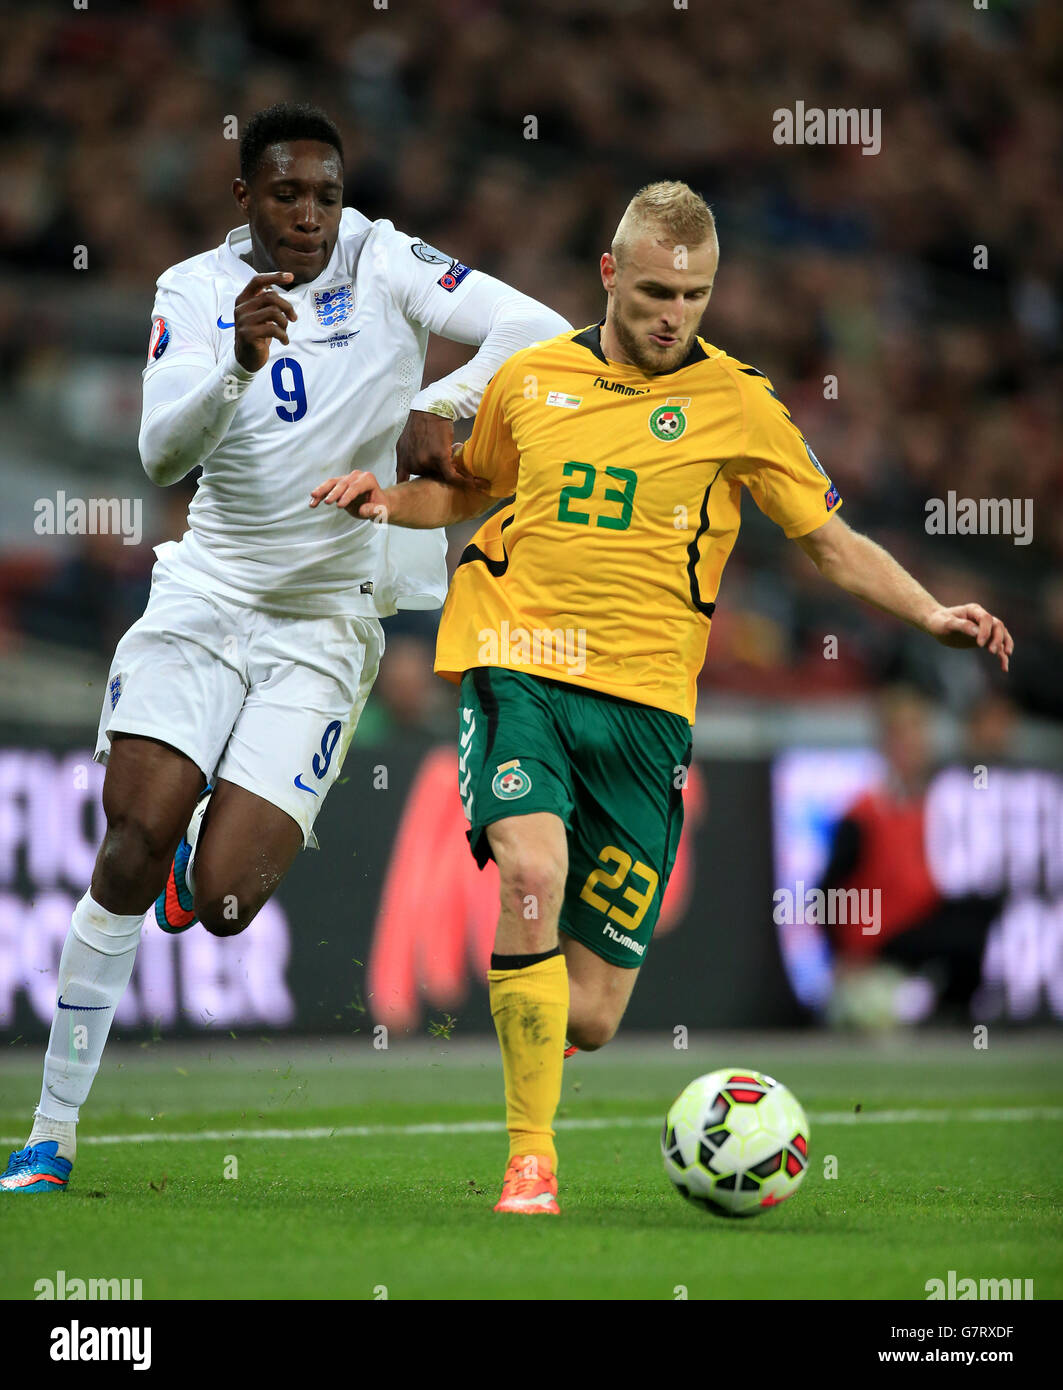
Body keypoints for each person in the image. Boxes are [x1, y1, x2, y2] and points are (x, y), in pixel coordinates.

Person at [310, 180, 1014, 1215]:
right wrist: (390, 500)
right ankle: (529, 1158)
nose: (670, 314)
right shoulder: (532, 375)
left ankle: (541, 1062)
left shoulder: (739, 402)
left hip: (647, 715)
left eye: (691, 296)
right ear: (608, 274)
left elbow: (825, 539)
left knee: (589, 1012)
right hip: (521, 665)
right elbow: (472, 487)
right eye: (651, 292)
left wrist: (928, 612)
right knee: (531, 872)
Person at [2, 101, 568, 1195]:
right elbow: (162, 454)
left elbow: (537, 328)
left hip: (326, 625)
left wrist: (438, 399)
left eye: (325, 193)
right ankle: (50, 1131)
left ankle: (193, 858)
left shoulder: (388, 258)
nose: (310, 215)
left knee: (222, 903)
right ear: (244, 200)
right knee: (128, 843)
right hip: (205, 598)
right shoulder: (196, 291)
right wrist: (234, 363)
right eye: (287, 194)